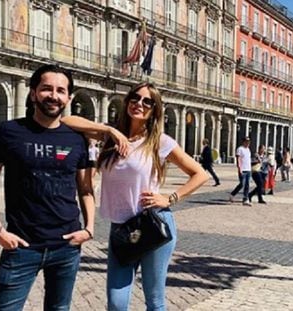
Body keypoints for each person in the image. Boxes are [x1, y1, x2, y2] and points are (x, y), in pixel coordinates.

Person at [61, 82, 208, 311]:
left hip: (152, 224)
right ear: (128, 101)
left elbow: (200, 174)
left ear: (154, 110)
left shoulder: (160, 141)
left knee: (154, 300)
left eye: (147, 101)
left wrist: (170, 198)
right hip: (120, 228)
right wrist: (109, 130)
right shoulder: (110, 138)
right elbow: (66, 122)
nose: (139, 104)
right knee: (116, 303)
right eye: (135, 98)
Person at [0, 64, 97, 310]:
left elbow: (85, 189)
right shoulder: (9, 132)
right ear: (33, 93)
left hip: (66, 246)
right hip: (22, 247)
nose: (53, 95)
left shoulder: (77, 140)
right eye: (46, 89)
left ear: (68, 98)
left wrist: (89, 229)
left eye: (60, 90)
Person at [229, 137, 252, 205]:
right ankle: (232, 194)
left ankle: (245, 199)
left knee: (247, 185)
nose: (248, 143)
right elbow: (238, 159)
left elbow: (248, 159)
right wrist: (239, 168)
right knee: (242, 184)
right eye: (247, 141)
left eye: (249, 142)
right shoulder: (240, 149)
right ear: (243, 142)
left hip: (248, 169)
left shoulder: (248, 149)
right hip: (243, 169)